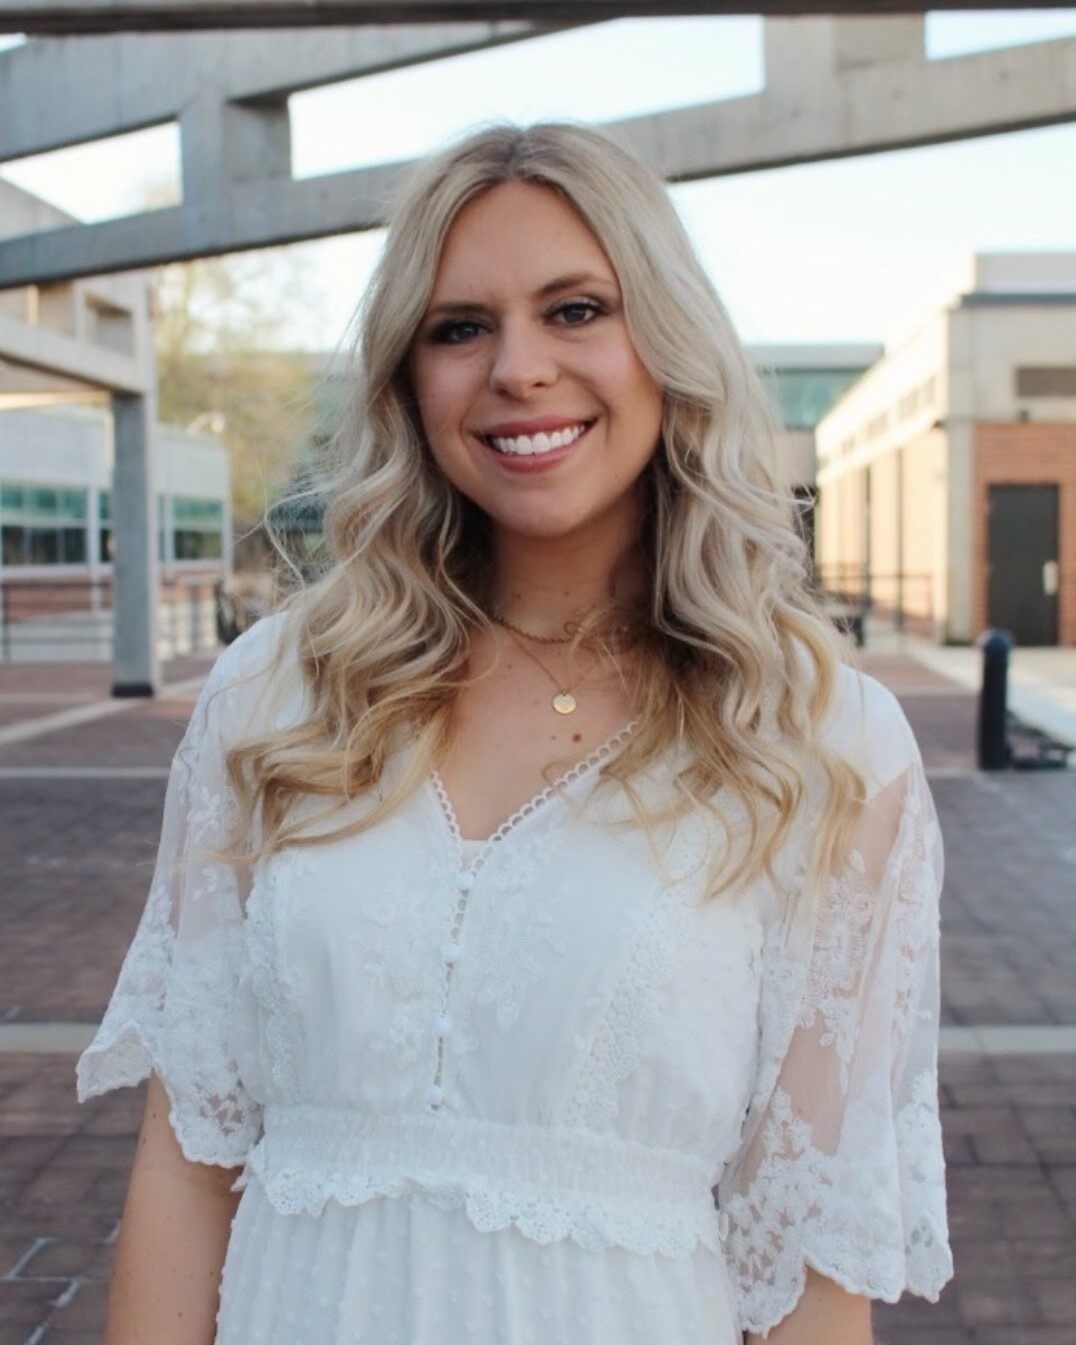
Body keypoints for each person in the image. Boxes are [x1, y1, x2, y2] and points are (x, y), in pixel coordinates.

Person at [76, 121, 954, 1345]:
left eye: (576, 309)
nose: (518, 369)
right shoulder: (278, 695)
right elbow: (185, 1161)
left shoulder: (819, 742)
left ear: (667, 342)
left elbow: (802, 1270)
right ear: (407, 380)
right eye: (459, 327)